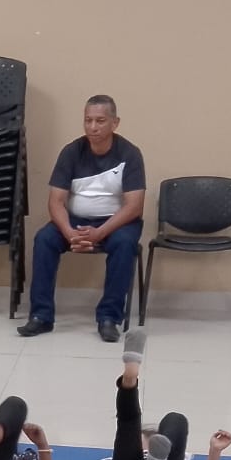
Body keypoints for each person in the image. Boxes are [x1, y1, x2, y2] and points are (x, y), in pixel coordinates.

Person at [18, 94, 146, 343]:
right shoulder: (71, 152)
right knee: (44, 239)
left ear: (115, 123)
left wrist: (100, 233)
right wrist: (69, 232)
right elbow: (56, 201)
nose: (93, 127)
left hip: (116, 223)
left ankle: (108, 318)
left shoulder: (130, 154)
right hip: (75, 221)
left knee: (124, 244)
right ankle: (41, 316)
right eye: (88, 120)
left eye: (100, 121)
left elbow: (134, 207)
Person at [64, 330, 231, 460]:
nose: (142, 447)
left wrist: (215, 451)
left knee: (130, 421)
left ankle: (129, 381)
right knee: (175, 419)